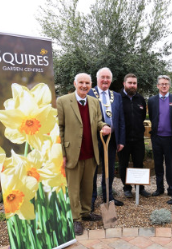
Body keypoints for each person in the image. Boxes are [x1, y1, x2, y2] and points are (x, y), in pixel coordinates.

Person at [57, 73, 111, 236]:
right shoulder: (63, 101)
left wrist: (104, 126)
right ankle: (76, 219)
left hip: (90, 151)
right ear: (75, 83)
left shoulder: (95, 102)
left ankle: (86, 212)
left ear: (91, 84)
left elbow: (98, 121)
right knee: (73, 189)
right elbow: (59, 128)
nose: (84, 85)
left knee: (88, 186)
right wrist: (62, 153)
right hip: (72, 152)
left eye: (87, 83)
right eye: (81, 82)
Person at [88, 67, 126, 209]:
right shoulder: (89, 93)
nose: (105, 80)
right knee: (92, 169)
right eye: (102, 77)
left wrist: (121, 140)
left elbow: (121, 119)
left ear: (111, 80)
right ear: (97, 79)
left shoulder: (116, 96)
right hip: (94, 139)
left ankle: (108, 197)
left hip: (111, 139)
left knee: (108, 169)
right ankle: (90, 199)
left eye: (108, 77)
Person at [118, 73, 151, 198]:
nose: (132, 85)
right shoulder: (118, 98)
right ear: (124, 83)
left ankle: (140, 187)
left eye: (134, 83)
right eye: (130, 83)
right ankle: (127, 188)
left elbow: (141, 117)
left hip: (138, 139)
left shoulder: (140, 99)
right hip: (123, 139)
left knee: (139, 163)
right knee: (123, 164)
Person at [148, 75, 172, 200]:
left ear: (169, 85)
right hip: (157, 138)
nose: (164, 86)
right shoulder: (152, 100)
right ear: (157, 86)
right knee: (158, 164)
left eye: (166, 84)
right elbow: (152, 116)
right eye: (161, 84)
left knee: (170, 164)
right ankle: (159, 188)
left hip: (170, 138)